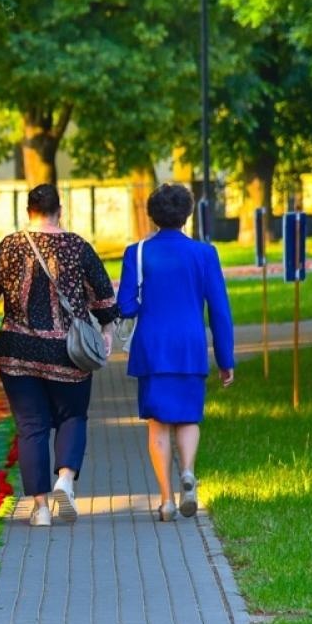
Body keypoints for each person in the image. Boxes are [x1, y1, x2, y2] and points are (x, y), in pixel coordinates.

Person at [0, 184, 119, 527]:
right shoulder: (77, 246)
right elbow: (104, 298)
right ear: (59, 210)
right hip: (68, 354)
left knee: (31, 427)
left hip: (17, 352)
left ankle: (41, 508)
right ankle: (65, 479)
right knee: (72, 417)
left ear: (28, 211)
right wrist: (107, 331)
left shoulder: (10, 246)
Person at [115, 183, 236, 522]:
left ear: (152, 215)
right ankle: (188, 472)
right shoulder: (204, 253)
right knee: (188, 417)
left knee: (158, 424)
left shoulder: (136, 252)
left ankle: (167, 500)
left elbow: (125, 305)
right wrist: (226, 359)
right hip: (190, 346)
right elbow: (220, 310)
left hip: (152, 348)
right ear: (187, 215)